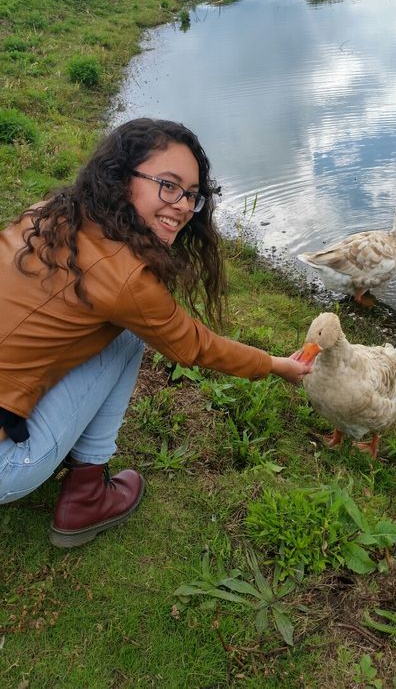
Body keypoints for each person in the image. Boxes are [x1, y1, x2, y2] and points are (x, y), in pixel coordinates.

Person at [0, 119, 313, 548]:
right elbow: (196, 346)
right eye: (168, 185)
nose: (183, 206)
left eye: (191, 195)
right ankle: (87, 494)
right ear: (120, 178)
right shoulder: (127, 279)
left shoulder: (50, 213)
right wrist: (277, 366)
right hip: (5, 468)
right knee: (131, 335)